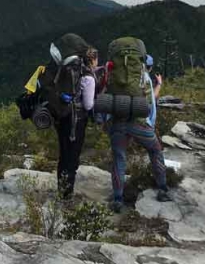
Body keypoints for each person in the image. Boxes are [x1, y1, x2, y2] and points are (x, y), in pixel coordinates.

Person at [98, 39, 171, 213]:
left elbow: (105, 99)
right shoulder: (143, 76)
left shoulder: (111, 75)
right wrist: (150, 126)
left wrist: (105, 123)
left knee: (119, 159)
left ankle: (117, 199)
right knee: (155, 150)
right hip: (139, 124)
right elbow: (150, 104)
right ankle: (162, 189)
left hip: (117, 123)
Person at [55, 46, 99, 200]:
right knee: (73, 158)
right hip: (77, 121)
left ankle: (61, 189)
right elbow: (88, 105)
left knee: (63, 154)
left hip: (62, 117)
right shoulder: (88, 77)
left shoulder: (71, 71)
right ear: (93, 60)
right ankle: (67, 195)